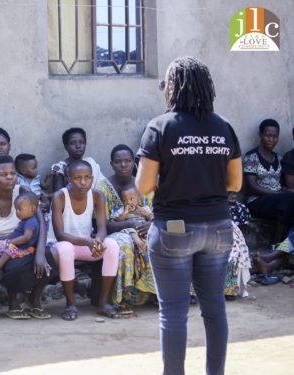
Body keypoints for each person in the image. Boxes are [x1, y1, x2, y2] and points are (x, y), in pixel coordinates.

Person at [136, 56, 242, 375]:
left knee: (173, 313)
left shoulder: (160, 126)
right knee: (214, 309)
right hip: (219, 228)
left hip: (173, 229)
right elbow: (235, 183)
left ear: (173, 88)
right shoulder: (223, 126)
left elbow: (143, 186)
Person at [0, 155, 58, 320]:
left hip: (28, 245)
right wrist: (9, 239)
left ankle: (34, 298)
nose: (10, 177)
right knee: (16, 264)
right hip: (1, 251)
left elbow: (41, 224)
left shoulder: (24, 193)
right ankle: (13, 301)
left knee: (51, 256)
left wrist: (40, 252)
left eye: (12, 173)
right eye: (4, 175)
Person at [50, 160, 120, 320]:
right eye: (77, 178)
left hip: (87, 244)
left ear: (92, 178)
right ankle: (70, 304)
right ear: (69, 179)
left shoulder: (97, 195)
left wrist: (98, 241)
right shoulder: (60, 196)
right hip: (63, 245)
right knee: (65, 249)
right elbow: (60, 234)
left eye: (87, 177)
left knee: (112, 246)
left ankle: (103, 303)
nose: (83, 182)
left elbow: (102, 228)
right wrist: (89, 242)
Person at [96, 144, 156, 311]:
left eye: (128, 161)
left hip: (142, 229)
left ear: (134, 162)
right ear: (111, 164)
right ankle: (121, 297)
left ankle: (154, 293)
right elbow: (101, 224)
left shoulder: (143, 185)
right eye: (118, 161)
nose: (123, 165)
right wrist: (129, 224)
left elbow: (155, 213)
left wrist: (150, 224)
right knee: (124, 245)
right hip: (114, 232)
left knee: (156, 241)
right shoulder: (102, 188)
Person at [243, 119, 294, 241]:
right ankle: (277, 243)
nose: (271, 140)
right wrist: (279, 194)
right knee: (288, 201)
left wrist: (285, 191)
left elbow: (280, 184)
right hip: (257, 202)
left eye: (275, 137)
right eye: (268, 136)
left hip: (278, 202)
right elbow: (252, 186)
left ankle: (283, 249)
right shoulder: (252, 157)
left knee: (289, 202)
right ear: (261, 135)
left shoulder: (279, 158)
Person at [0, 191, 40, 276]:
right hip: (18, 246)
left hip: (26, 249)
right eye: (16, 209)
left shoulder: (30, 222)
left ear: (32, 209)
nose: (17, 212)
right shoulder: (25, 220)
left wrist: (12, 242)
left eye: (20, 209)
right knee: (0, 243)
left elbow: (26, 237)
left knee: (8, 249)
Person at [50, 128, 105, 193]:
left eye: (81, 142)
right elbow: (58, 195)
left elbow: (103, 189)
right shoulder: (60, 168)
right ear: (66, 147)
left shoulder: (91, 163)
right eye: (73, 143)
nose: (78, 146)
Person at [113, 186, 153, 253]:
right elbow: (118, 220)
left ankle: (147, 244)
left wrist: (146, 214)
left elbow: (151, 219)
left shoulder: (144, 209)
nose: (128, 202)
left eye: (132, 199)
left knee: (151, 232)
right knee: (131, 231)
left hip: (143, 230)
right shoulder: (123, 210)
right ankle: (141, 245)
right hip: (132, 231)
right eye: (125, 200)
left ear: (139, 199)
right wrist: (125, 213)